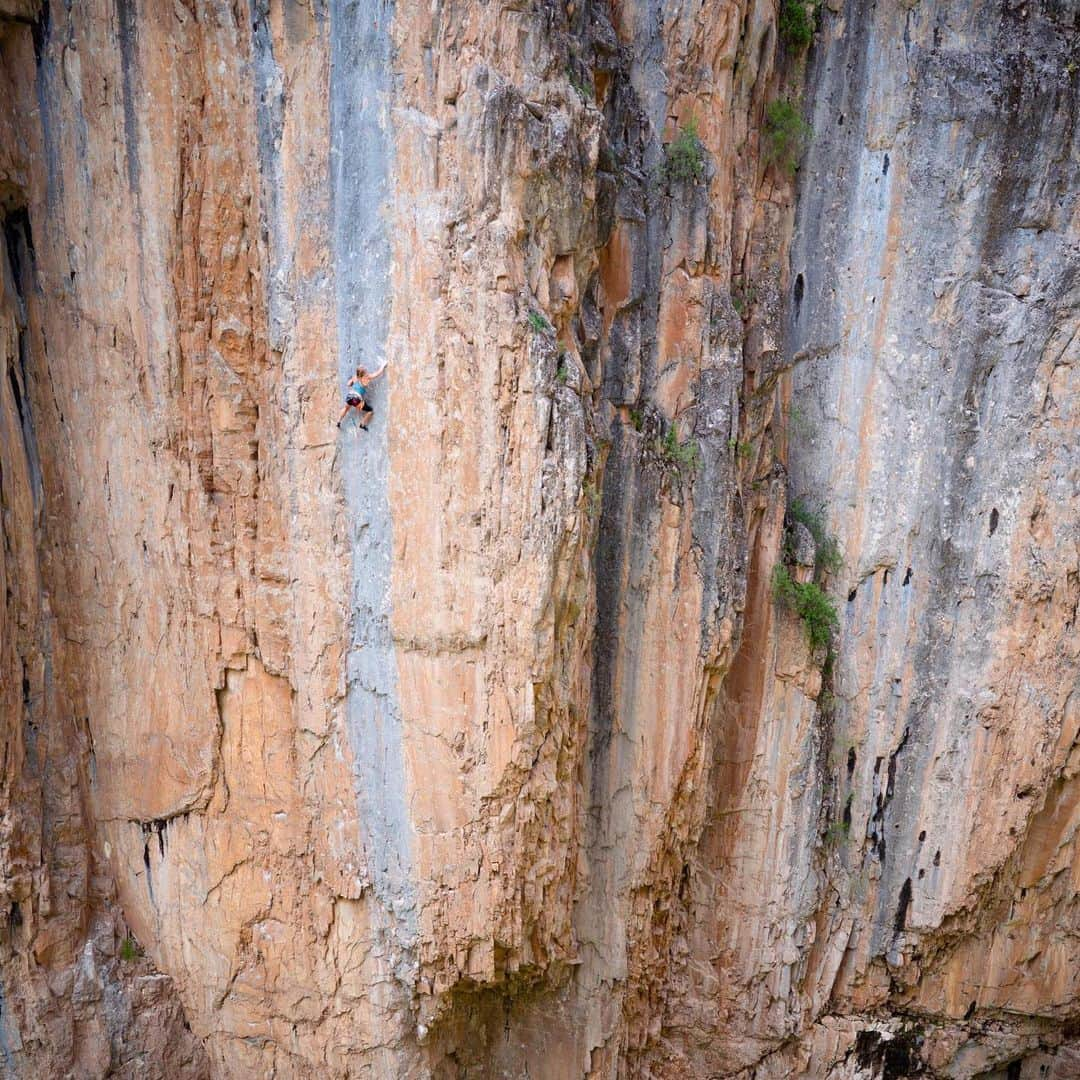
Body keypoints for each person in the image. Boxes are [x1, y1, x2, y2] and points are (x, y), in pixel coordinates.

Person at [337, 362, 387, 430]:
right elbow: (377, 373)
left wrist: (353, 382)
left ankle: (338, 421)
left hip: (350, 395)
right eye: (365, 370)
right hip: (356, 398)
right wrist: (383, 366)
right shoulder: (367, 378)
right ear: (364, 373)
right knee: (370, 411)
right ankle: (362, 424)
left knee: (346, 408)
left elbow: (348, 384)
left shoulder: (355, 377)